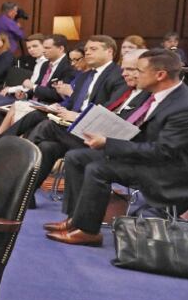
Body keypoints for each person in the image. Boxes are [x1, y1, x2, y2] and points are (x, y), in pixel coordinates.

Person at [46, 49, 188, 246]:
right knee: (76, 157)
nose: (134, 75)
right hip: (146, 158)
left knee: (98, 169)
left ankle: (88, 231)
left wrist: (109, 143)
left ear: (160, 75)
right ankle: (76, 219)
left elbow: (164, 151)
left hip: (166, 170)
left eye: (139, 71)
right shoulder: (158, 95)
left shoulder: (182, 105)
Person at [23, 49, 152, 199]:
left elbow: (131, 129)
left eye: (130, 69)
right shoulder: (126, 91)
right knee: (48, 146)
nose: (123, 74)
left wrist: (78, 117)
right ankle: (24, 195)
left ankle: (16, 170)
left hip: (115, 146)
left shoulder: (149, 96)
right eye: (123, 69)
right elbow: (104, 112)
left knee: (48, 126)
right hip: (97, 136)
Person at [0, 34, 51, 125]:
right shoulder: (38, 62)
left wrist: (10, 89)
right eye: (29, 48)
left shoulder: (45, 64)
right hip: (22, 93)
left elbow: (32, 86)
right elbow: (29, 85)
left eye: (35, 46)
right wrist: (12, 89)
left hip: (27, 98)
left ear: (44, 46)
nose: (31, 50)